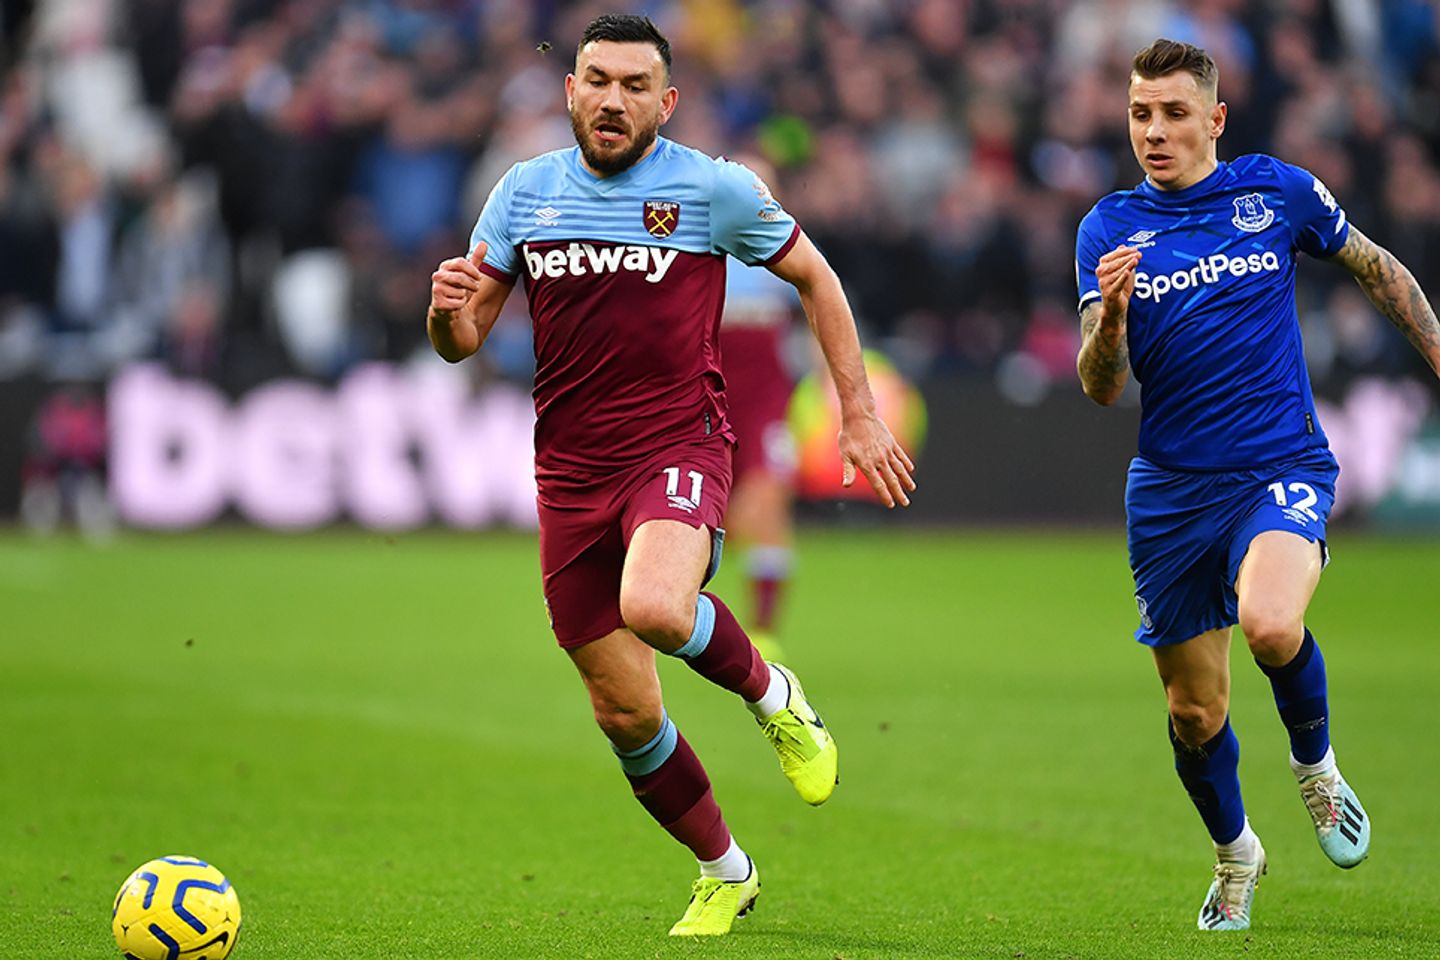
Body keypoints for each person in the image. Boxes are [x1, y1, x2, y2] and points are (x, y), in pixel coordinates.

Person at [426, 15, 915, 937]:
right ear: (568, 90)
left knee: (655, 605)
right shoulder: (524, 192)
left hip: (677, 448)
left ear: (666, 101)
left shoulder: (712, 187)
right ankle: (725, 870)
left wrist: (856, 411)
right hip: (569, 476)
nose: (613, 100)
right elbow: (463, 340)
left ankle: (774, 695)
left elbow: (819, 279)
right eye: (597, 80)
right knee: (625, 713)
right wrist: (444, 315)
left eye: (634, 85)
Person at [1075, 38, 1440, 932]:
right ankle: (1236, 852)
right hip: (1170, 493)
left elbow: (1373, 265)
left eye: (1172, 113)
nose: (1153, 132)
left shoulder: (1274, 192)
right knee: (1194, 712)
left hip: (1279, 466)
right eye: (1138, 114)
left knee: (1273, 621)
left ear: (1215, 119)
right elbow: (1100, 385)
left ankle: (1315, 767)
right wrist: (1113, 317)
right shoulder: (1107, 230)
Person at [718, 154, 804, 661]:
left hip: (767, 396)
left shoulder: (784, 244)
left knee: (767, 504)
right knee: (721, 517)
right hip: (710, 390)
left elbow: (817, 305)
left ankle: (763, 632)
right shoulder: (697, 242)